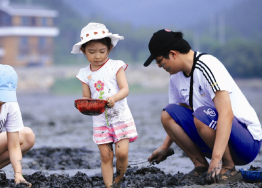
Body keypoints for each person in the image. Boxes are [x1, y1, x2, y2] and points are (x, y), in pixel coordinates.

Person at [144, 29, 262, 183]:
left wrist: (216, 157)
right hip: (214, 136)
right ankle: (200, 166)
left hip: (246, 142)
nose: (159, 65)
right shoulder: (175, 77)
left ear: (173, 54)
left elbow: (226, 113)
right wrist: (165, 146)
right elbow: (179, 117)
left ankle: (228, 167)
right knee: (168, 114)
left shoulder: (208, 65)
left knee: (201, 115)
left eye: (159, 60)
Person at [72, 22, 138, 188]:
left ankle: (119, 179)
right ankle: (109, 186)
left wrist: (114, 98)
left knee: (121, 153)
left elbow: (125, 89)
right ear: (83, 51)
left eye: (102, 51)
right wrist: (82, 105)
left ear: (109, 48)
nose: (97, 56)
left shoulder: (116, 66)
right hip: (100, 120)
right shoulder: (84, 74)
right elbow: (86, 97)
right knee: (106, 156)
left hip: (120, 116)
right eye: (91, 52)